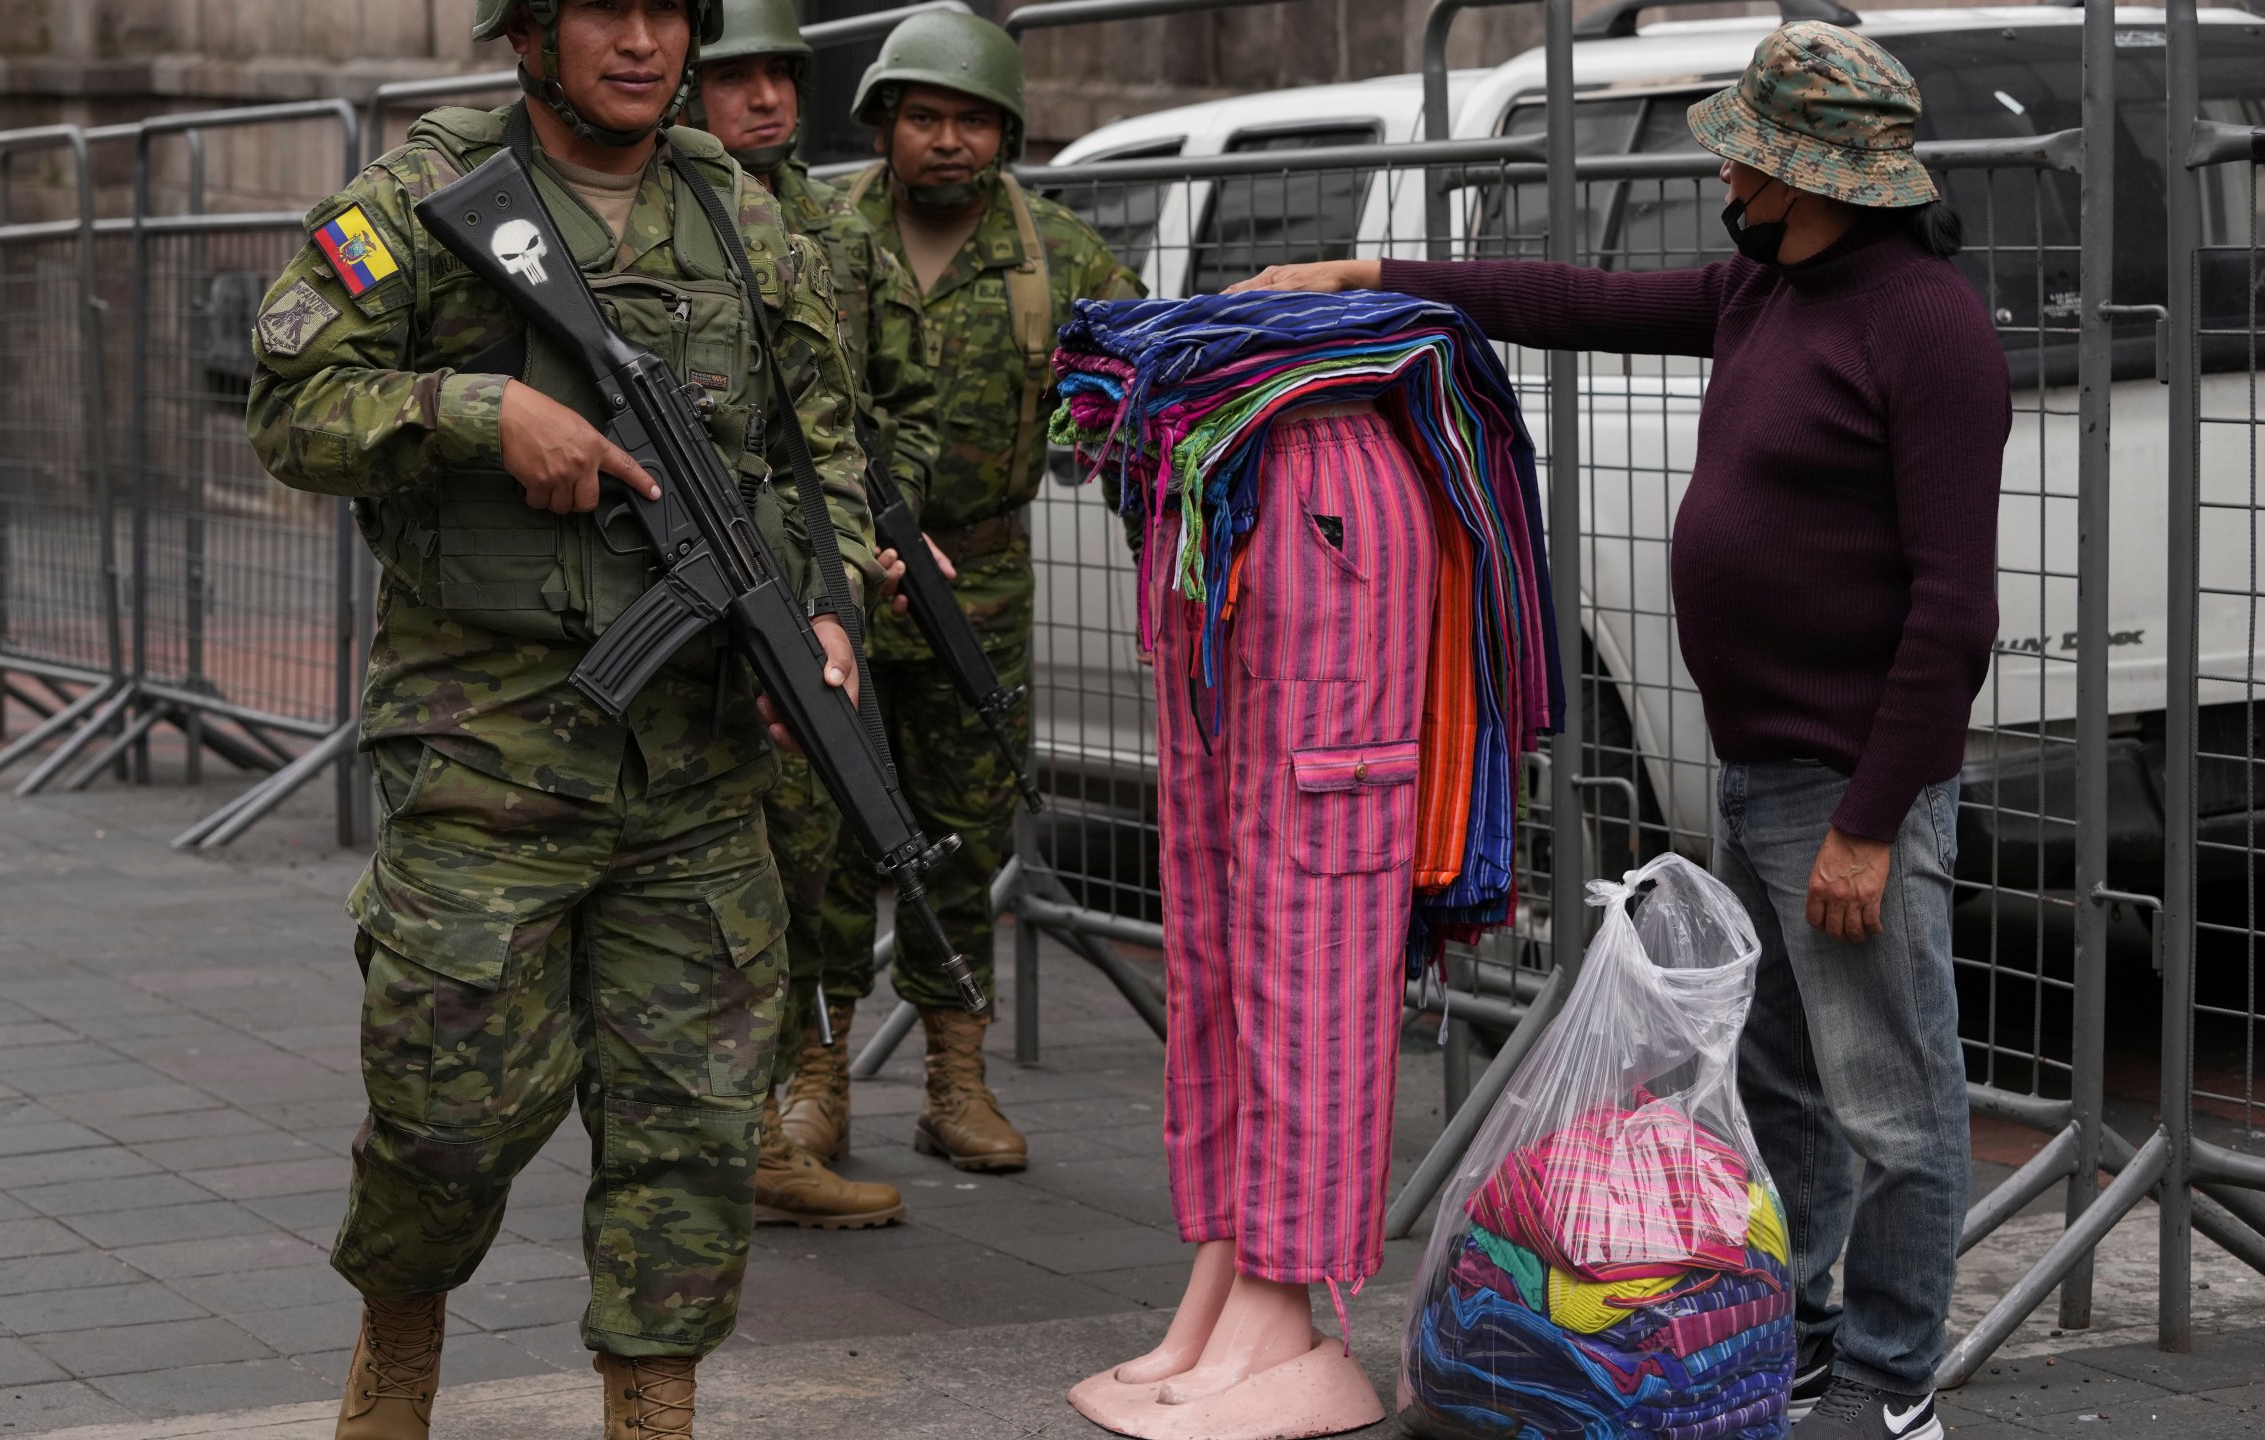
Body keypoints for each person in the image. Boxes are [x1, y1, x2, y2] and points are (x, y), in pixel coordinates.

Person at [1233, 23, 2005, 1440]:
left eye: (1742, 149)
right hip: (1767, 771)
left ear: (1807, 174)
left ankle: (1898, 1392)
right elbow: (1570, 293)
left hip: (1849, 786)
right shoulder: (1767, 288)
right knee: (1782, 1090)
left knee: (1893, 1102)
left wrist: (1872, 822)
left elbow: (1954, 611)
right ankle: (1816, 1332)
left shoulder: (1927, 327)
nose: (1722, 165)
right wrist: (1379, 277)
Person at [245, 0, 906, 1432]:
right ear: (530, 33)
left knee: (693, 1129)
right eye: (604, 8)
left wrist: (829, 607)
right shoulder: (423, 199)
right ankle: (399, 1344)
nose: (644, 41)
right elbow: (290, 405)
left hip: (697, 771)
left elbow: (818, 444)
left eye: (669, 10)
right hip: (488, 756)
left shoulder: (745, 217)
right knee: (447, 1122)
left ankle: (654, 1407)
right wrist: (481, 412)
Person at [792, 9, 1141, 1175]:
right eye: (926, 116)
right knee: (829, 828)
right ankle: (817, 1077)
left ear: (1007, 134)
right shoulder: (817, 236)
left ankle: (955, 1077)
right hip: (838, 572)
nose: (949, 141)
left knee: (960, 833)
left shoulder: (1062, 257)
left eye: (974, 121)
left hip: (976, 579)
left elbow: (1140, 406)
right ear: (884, 122)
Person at [687, 0, 943, 1232]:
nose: (768, 98)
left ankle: (795, 1103)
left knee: (820, 854)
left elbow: (883, 410)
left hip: (814, 593)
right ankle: (709, 1120)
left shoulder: (837, 235)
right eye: (737, 78)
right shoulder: (641, 217)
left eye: (783, 75)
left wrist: (886, 538)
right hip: (688, 582)